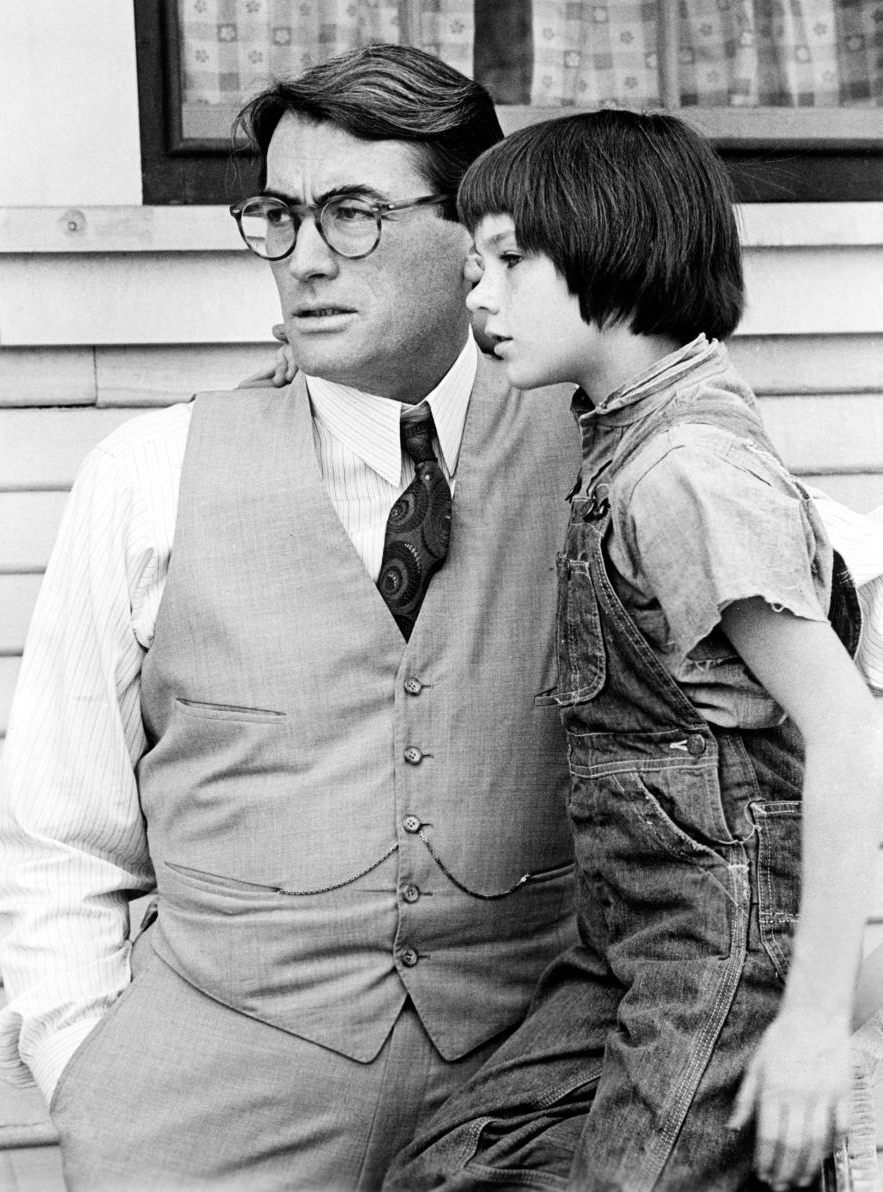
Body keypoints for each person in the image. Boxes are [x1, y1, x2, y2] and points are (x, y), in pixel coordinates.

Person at [0, 44, 585, 1192]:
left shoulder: (607, 455)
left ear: (477, 230)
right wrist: (85, 1070)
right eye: (278, 215)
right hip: (202, 1125)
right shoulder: (146, 476)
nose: (304, 259)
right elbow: (58, 829)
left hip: (523, 1111)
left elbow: (815, 603)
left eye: (353, 213)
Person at [384, 110, 883, 1192]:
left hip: (724, 950)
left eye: (511, 260)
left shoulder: (685, 471)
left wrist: (810, 1021)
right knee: (449, 1164)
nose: (478, 295)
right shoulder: (623, 436)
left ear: (617, 242)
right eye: (474, 264)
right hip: (629, 938)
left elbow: (847, 725)